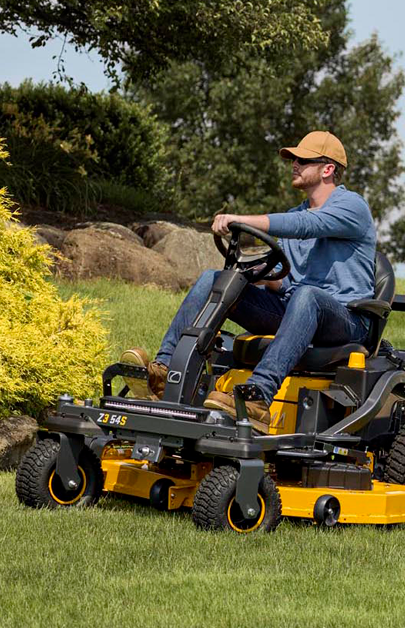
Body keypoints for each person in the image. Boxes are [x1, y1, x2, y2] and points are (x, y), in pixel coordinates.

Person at [121, 131, 378, 430]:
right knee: (215, 279)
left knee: (308, 296)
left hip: (348, 321)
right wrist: (253, 277)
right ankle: (165, 371)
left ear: (327, 169)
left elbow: (307, 226)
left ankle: (258, 398)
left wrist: (240, 220)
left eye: (302, 160)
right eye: (293, 159)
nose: (293, 164)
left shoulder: (352, 206)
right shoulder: (297, 214)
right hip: (297, 309)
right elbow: (287, 284)